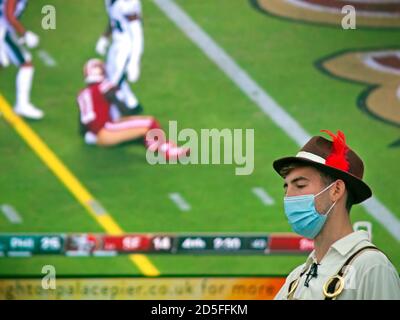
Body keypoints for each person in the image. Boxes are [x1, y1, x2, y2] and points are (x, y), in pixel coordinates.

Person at [273, 130, 400, 300]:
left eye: (300, 185)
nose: (288, 196)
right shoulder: (296, 278)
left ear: (336, 190)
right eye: (286, 188)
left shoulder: (371, 267)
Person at [77, 58, 188, 160]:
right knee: (149, 123)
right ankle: (168, 152)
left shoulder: (82, 94)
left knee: (141, 133)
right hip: (107, 131)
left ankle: (161, 148)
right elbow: (123, 108)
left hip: (96, 137)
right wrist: (130, 114)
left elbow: (82, 126)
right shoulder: (103, 86)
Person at [95, 0, 144, 117]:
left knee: (113, 84)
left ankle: (115, 116)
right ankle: (133, 106)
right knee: (111, 76)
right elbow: (114, 20)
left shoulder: (128, 3)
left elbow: (137, 34)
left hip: (127, 45)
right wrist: (105, 37)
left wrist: (134, 61)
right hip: (117, 43)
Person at [0, 0, 43, 119]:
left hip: (4, 28)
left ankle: (22, 104)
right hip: (2, 29)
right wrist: (24, 34)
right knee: (26, 63)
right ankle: (22, 105)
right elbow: (8, 14)